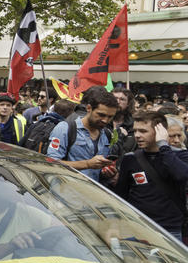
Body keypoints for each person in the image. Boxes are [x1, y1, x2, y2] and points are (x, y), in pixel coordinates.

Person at [114, 111, 188, 240]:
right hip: (137, 227)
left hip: (169, 229)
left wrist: (163, 146)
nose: (137, 135)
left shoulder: (180, 156)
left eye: (143, 131)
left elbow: (181, 175)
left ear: (160, 132)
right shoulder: (130, 159)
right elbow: (121, 195)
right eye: (135, 131)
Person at [46, 89, 118, 181]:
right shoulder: (65, 129)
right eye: (101, 115)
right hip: (65, 192)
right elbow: (52, 163)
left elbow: (98, 171)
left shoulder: (107, 135)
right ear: (89, 108)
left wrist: (107, 172)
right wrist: (87, 164)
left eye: (110, 117)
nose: (105, 120)